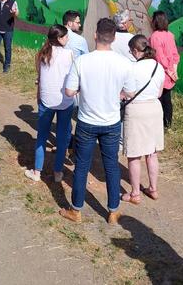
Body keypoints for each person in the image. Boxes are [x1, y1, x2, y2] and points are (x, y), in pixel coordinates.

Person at [60, 18, 134, 225]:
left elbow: (69, 91)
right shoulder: (123, 63)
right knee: (111, 165)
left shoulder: (82, 62)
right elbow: (130, 92)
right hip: (111, 122)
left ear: (95, 35)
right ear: (114, 38)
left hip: (86, 121)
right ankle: (113, 210)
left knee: (82, 165)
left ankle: (76, 209)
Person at [25, 24, 74, 183]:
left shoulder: (42, 53)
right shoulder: (70, 54)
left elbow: (40, 78)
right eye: (66, 36)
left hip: (46, 100)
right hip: (65, 101)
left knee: (41, 136)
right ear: (59, 39)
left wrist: (38, 95)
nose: (68, 39)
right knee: (61, 138)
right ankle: (58, 172)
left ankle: (37, 172)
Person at [121, 35, 165, 204]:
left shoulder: (132, 69)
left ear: (135, 50)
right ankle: (153, 189)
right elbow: (160, 93)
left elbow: (127, 93)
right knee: (152, 153)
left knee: (134, 155)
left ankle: (135, 193)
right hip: (154, 108)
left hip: (137, 110)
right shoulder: (158, 67)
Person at [149, 11, 180, 129]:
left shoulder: (155, 36)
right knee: (167, 100)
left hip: (160, 73)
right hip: (170, 73)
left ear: (155, 21)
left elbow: (159, 57)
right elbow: (175, 55)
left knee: (158, 101)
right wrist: (174, 71)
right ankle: (168, 124)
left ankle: (159, 125)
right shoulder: (170, 35)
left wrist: (168, 70)